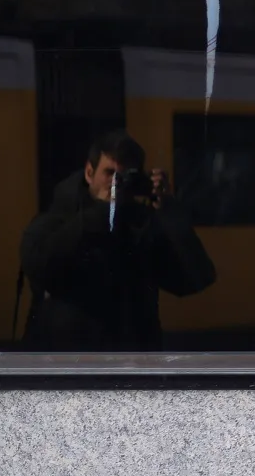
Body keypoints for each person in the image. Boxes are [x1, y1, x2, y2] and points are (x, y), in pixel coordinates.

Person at [20, 130, 217, 347]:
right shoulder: (59, 218)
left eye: (123, 177)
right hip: (71, 363)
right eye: (109, 173)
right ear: (89, 172)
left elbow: (196, 278)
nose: (115, 184)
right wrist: (102, 212)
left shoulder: (140, 226)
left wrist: (168, 210)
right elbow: (39, 266)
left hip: (132, 365)